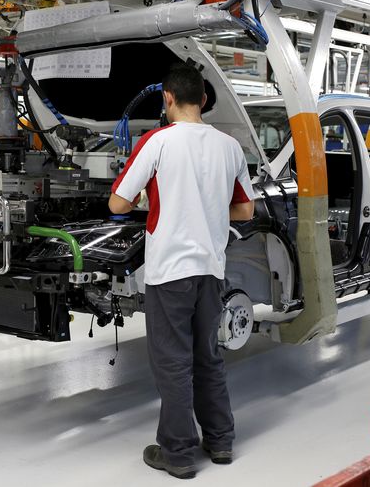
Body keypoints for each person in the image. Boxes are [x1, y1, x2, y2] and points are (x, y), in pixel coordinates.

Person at [108, 63, 255, 479]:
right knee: (207, 356)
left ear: (167, 98)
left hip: (170, 270)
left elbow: (118, 203)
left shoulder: (157, 142)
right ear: (204, 100)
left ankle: (177, 452)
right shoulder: (229, 146)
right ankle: (221, 442)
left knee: (172, 362)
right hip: (211, 268)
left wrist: (157, 201)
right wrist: (204, 206)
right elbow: (245, 210)